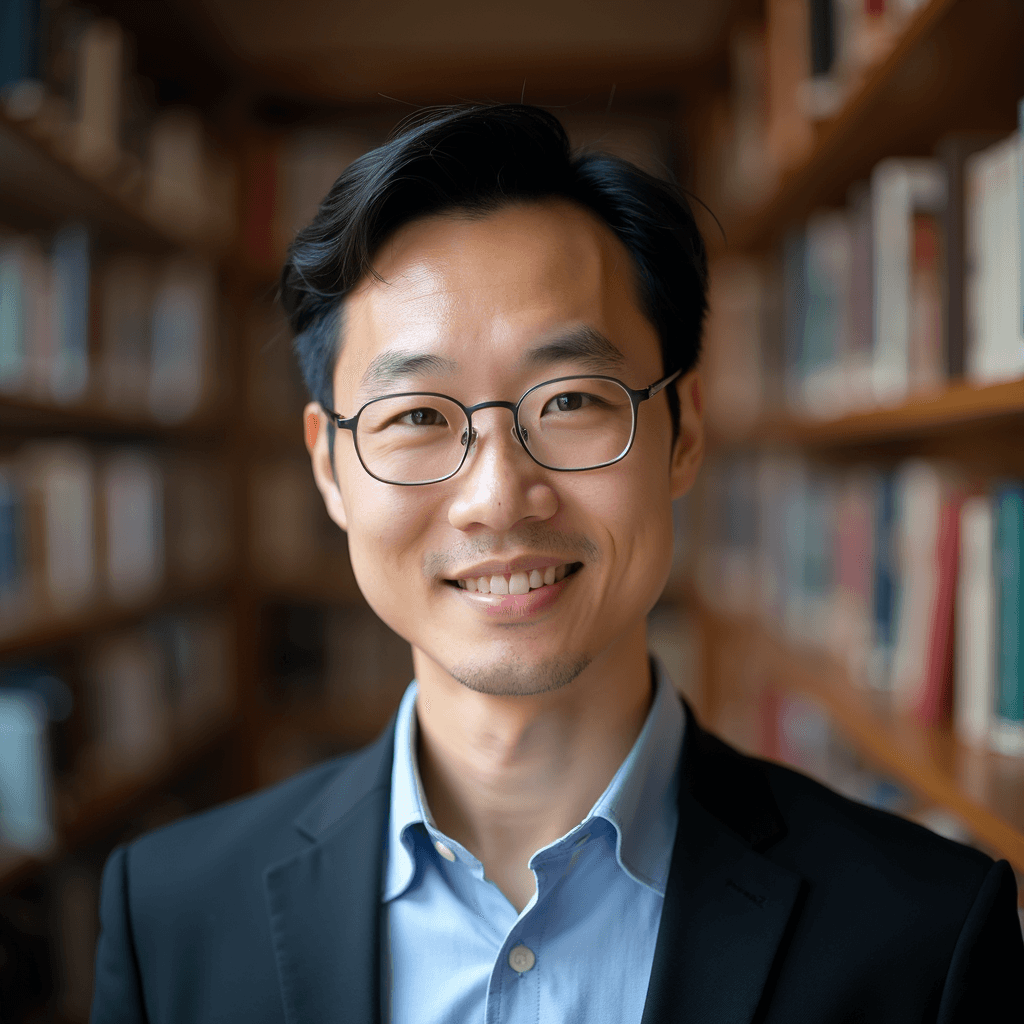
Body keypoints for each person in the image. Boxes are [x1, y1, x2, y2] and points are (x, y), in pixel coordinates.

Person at [90, 104, 1023, 1024]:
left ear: (684, 430)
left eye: (571, 399)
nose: (497, 496)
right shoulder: (170, 914)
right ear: (329, 466)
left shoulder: (924, 937)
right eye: (416, 415)